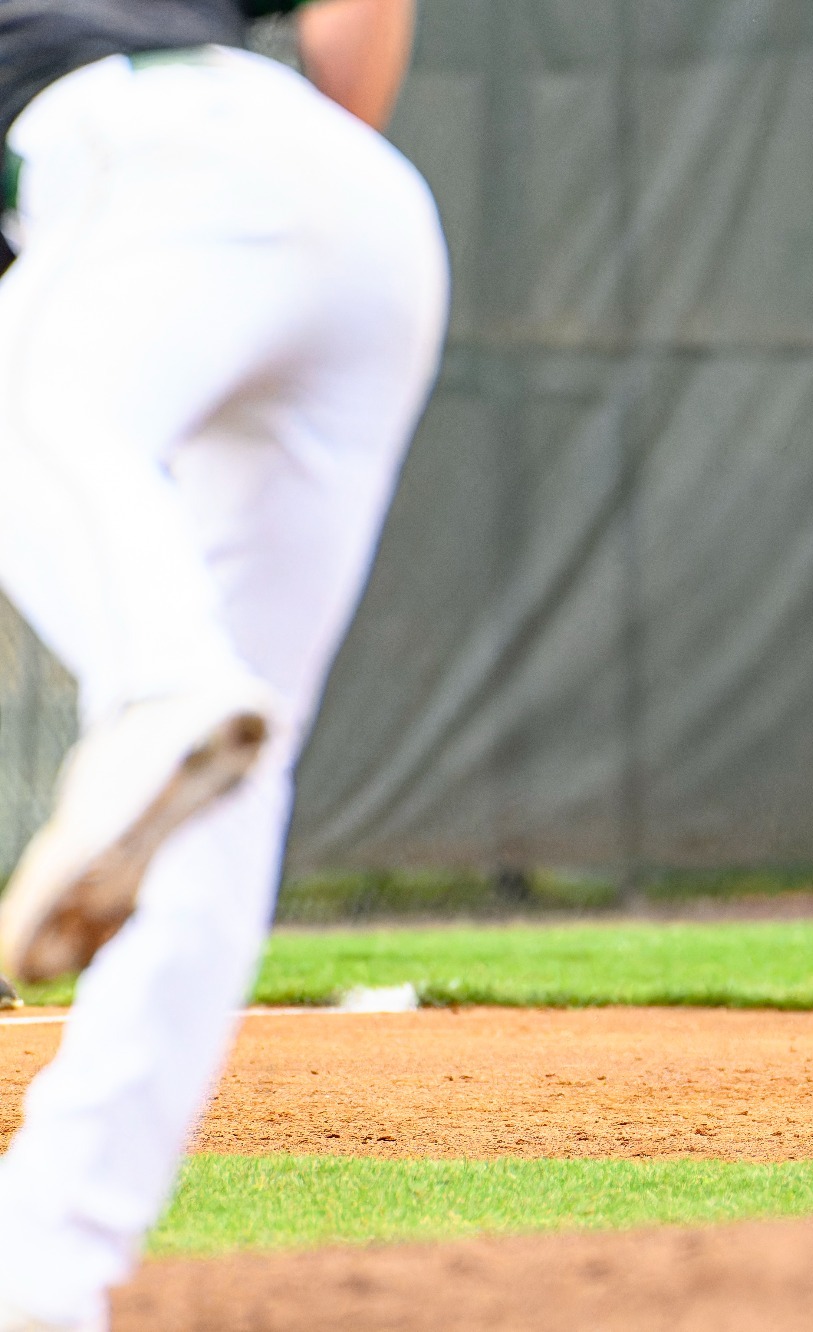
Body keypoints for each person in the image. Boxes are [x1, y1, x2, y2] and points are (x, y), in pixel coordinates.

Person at [0, 2, 445, 1325]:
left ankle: (159, 688)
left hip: (145, 153)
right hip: (358, 207)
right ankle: (43, 1278)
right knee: (232, 785)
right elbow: (358, 35)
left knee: (27, 409)